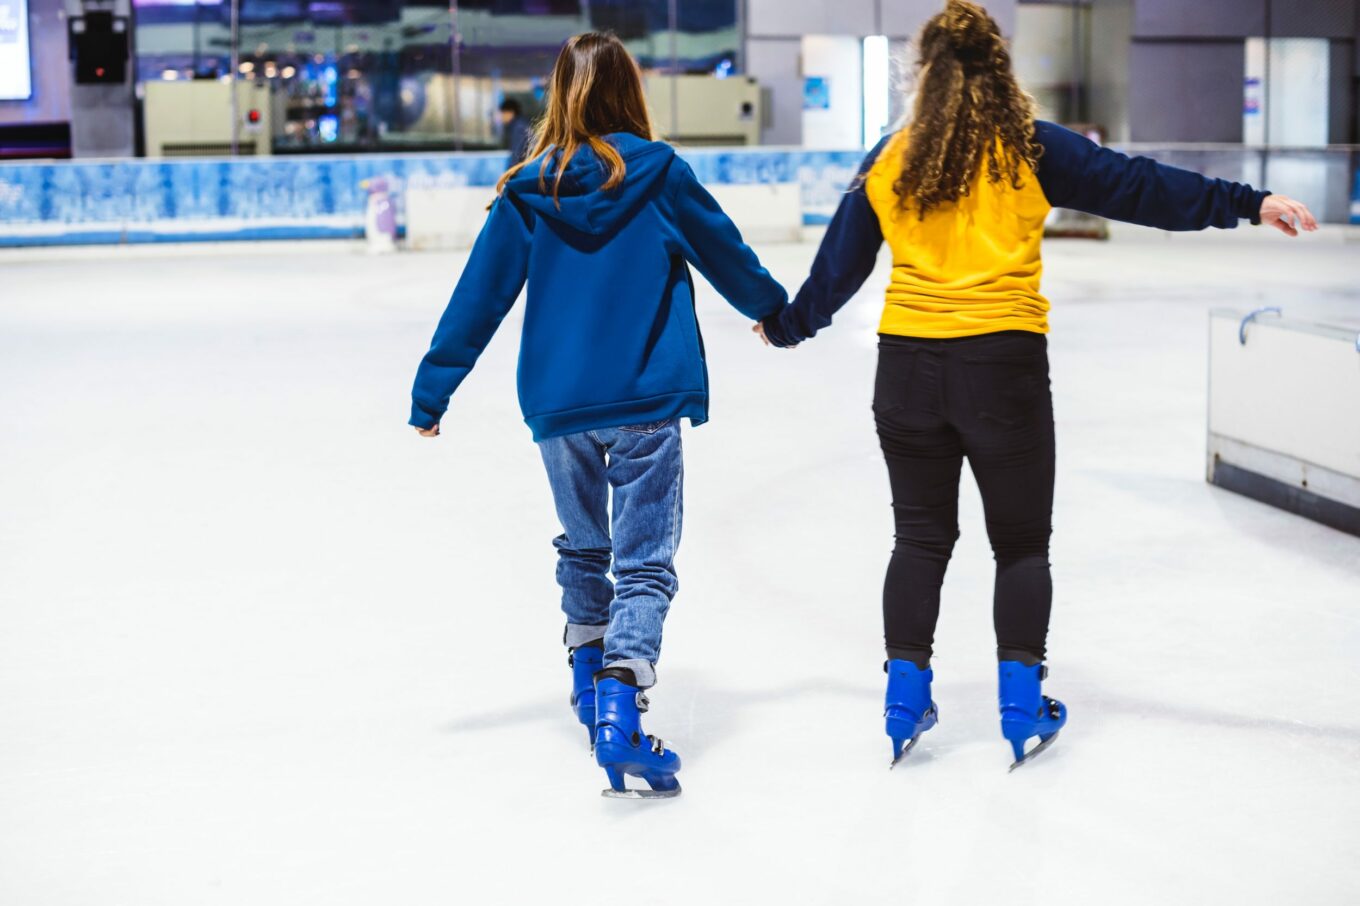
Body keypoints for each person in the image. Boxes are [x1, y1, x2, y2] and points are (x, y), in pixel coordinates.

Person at [756, 0, 1317, 770]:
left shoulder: (890, 158)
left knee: (920, 538)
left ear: (923, 73)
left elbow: (835, 273)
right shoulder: (1028, 148)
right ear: (998, 67)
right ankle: (1021, 705)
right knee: (1020, 545)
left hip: (907, 373)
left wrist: (786, 326)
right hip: (1002, 370)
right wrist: (1248, 202)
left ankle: (903, 698)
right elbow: (1140, 188)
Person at [409, 32, 787, 798]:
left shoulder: (527, 189)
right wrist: (774, 311)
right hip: (645, 397)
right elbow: (726, 253)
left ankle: (589, 687)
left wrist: (433, 390)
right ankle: (621, 702)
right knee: (642, 562)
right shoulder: (660, 175)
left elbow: (477, 299)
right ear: (630, 91)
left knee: (585, 549)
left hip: (559, 406)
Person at [499, 97, 532, 166]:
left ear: (511, 112)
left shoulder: (519, 128)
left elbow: (517, 154)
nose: (501, 117)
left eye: (503, 113)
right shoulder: (520, 124)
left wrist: (510, 173)